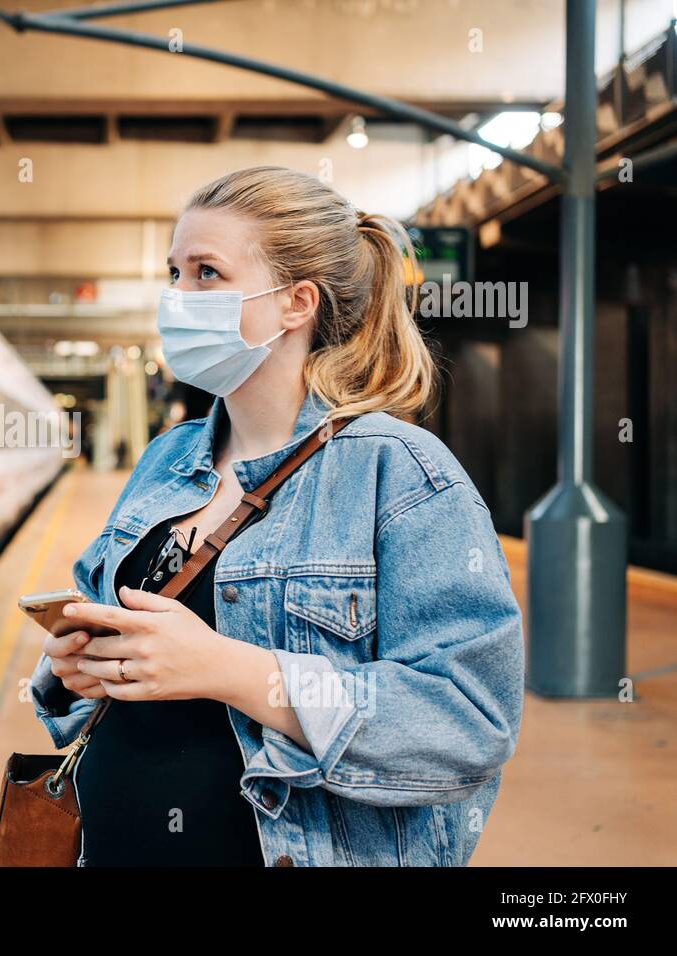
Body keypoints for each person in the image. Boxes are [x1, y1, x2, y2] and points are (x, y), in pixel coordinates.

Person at [30, 166, 524, 867]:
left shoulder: (399, 472)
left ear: (296, 303)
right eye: (173, 272)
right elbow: (108, 635)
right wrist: (76, 667)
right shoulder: (167, 459)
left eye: (206, 273)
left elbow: (467, 720)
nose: (176, 297)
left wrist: (234, 670)